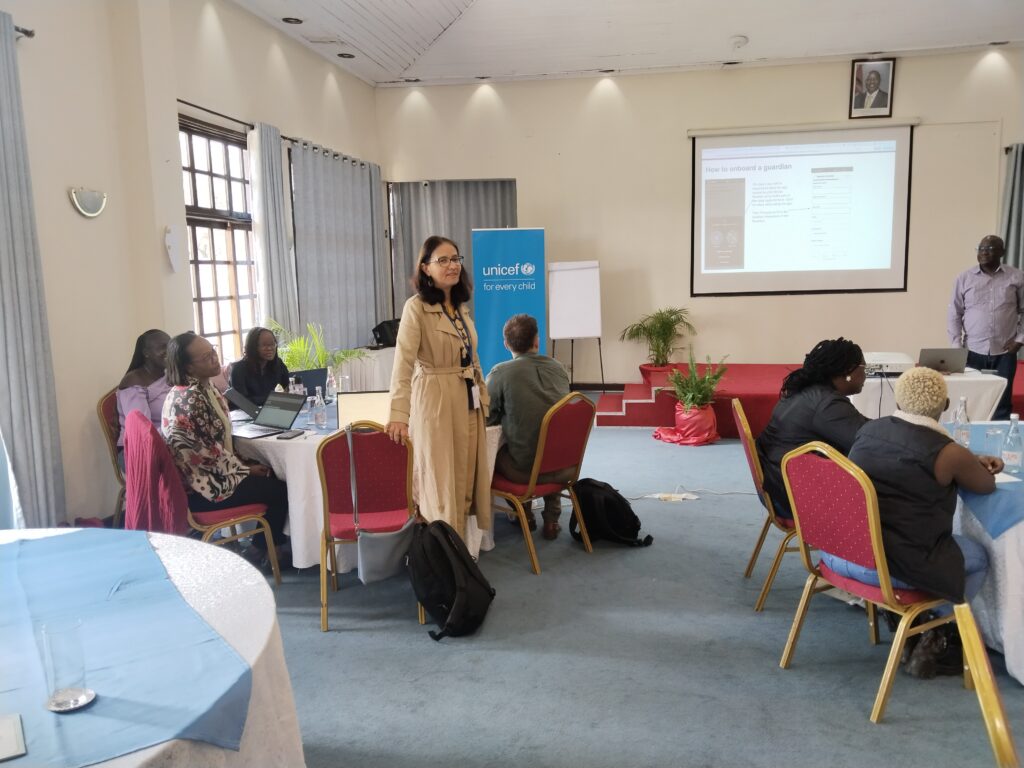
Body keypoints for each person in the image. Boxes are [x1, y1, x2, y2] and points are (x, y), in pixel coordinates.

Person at [820, 366, 996, 678]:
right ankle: (938, 633)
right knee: (978, 556)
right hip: (891, 568)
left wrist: (966, 458)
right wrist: (973, 462)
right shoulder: (948, 452)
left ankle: (914, 625)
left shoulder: (869, 430)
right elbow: (985, 485)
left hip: (843, 551)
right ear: (943, 406)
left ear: (898, 402)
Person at [385, 236, 491, 541]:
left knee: (465, 477)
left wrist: (483, 399)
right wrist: (398, 414)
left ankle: (459, 554)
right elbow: (403, 363)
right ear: (425, 268)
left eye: (455, 259)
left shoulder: (460, 308)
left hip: (468, 402)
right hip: (435, 401)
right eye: (442, 260)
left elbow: (473, 357)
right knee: (442, 482)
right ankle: (445, 555)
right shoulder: (415, 308)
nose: (452, 265)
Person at [162, 332, 289, 564]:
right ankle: (263, 550)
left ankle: (270, 545)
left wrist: (243, 464)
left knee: (269, 472)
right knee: (281, 489)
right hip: (206, 489)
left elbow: (216, 445)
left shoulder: (198, 388)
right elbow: (208, 455)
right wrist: (246, 470)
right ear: (188, 366)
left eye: (213, 352)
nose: (214, 359)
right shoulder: (192, 400)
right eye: (206, 357)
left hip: (208, 476)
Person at [756, 338, 869, 518]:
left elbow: (861, 426)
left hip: (777, 487)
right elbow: (868, 443)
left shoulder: (803, 391)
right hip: (794, 499)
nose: (866, 376)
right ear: (847, 371)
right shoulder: (827, 404)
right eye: (864, 369)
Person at [486, 314, 571, 540]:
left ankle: (523, 514)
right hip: (565, 467)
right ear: (537, 341)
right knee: (549, 442)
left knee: (491, 452)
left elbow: (487, 418)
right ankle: (552, 519)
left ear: (506, 344)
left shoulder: (500, 373)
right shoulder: (559, 368)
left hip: (524, 472)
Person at [948, 234, 1024, 420]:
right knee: (971, 400)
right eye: (980, 249)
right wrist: (957, 348)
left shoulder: (1017, 277)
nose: (984, 252)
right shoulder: (964, 278)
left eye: (989, 249)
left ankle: (998, 446)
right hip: (972, 351)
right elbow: (954, 314)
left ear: (1002, 252)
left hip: (1005, 352)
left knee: (1002, 401)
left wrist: (1019, 340)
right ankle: (970, 444)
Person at [116, 329, 171, 469]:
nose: (168, 351)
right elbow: (141, 429)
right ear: (146, 353)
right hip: (137, 450)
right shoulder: (134, 382)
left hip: (168, 441)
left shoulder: (167, 376)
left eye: (170, 346)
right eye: (161, 347)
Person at [229, 327, 289, 408]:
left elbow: (289, 386)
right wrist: (273, 399)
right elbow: (241, 402)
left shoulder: (277, 363)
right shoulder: (238, 369)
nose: (270, 348)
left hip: (270, 410)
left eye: (272, 344)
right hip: (245, 415)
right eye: (264, 345)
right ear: (253, 347)